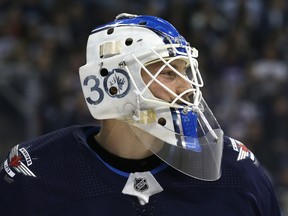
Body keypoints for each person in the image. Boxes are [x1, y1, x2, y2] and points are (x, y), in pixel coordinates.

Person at [0, 13, 281, 215]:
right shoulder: (34, 174)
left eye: (185, 71)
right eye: (168, 73)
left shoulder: (236, 171)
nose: (187, 86)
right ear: (113, 84)